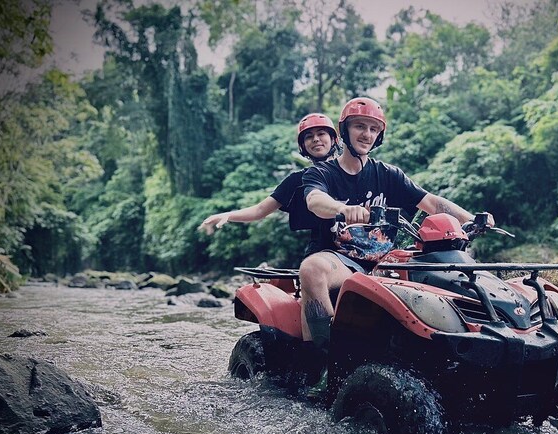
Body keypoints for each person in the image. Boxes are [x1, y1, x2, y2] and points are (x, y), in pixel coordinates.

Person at [298, 97, 494, 350]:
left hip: (388, 262)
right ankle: (325, 360)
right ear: (344, 131)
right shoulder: (321, 172)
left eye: (373, 129)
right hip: (342, 261)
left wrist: (472, 219)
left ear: (379, 135)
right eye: (360, 126)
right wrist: (343, 209)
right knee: (311, 269)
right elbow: (315, 200)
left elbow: (432, 202)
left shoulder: (388, 174)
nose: (366, 134)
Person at [197, 113, 338, 238]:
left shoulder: (352, 170)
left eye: (321, 134)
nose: (315, 139)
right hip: (324, 251)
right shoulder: (297, 180)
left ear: (333, 139)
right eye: (309, 136)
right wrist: (226, 216)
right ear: (303, 146)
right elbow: (260, 210)